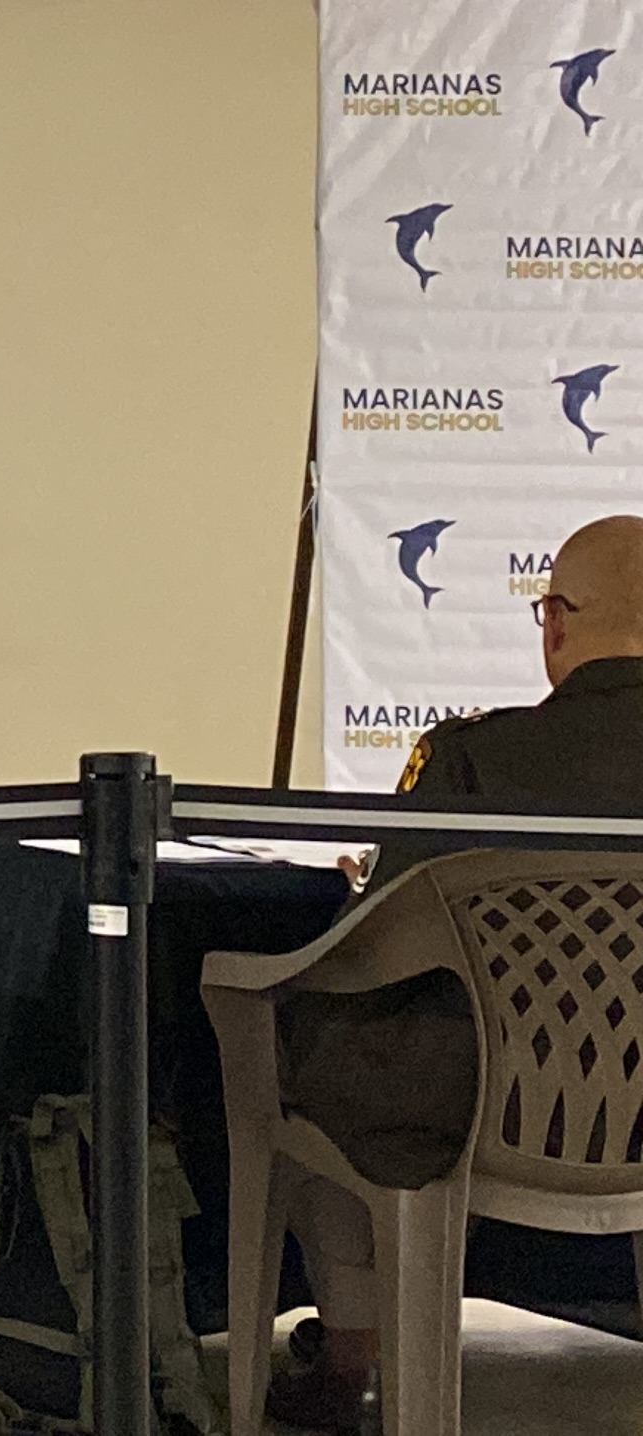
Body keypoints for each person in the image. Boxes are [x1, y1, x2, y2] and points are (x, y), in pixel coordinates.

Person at [266, 514, 643, 1433]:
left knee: (327, 1037)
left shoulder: (473, 755)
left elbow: (373, 939)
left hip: (488, 1107)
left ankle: (355, 1363)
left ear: (555, 621)